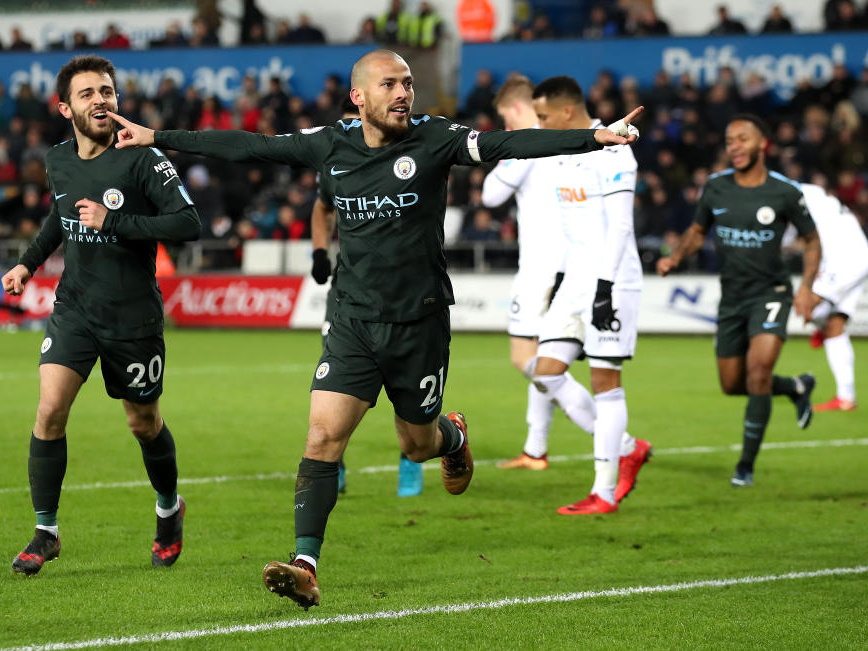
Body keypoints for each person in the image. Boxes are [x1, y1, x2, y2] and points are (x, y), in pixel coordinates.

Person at [109, 48, 642, 610]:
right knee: (322, 437)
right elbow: (252, 146)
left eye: (409, 83)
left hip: (420, 322)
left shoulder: (435, 138)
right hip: (353, 322)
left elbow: (507, 143)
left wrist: (592, 137)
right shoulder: (329, 142)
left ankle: (451, 437)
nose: (404, 93)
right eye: (390, 84)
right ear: (358, 96)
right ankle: (306, 564)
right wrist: (159, 136)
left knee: (416, 446)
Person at [2, 55, 201, 576]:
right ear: (64, 106)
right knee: (49, 411)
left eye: (108, 92)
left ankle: (168, 510)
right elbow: (60, 216)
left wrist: (115, 221)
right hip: (75, 309)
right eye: (88, 93)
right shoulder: (58, 160)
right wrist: (27, 262)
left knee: (143, 422)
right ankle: (46, 531)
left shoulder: (142, 157)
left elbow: (187, 223)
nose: (102, 101)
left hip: (132, 318)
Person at [657, 114, 821, 488]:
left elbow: (812, 240)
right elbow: (698, 232)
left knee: (758, 372)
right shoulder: (715, 188)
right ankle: (796, 386)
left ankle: (745, 466)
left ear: (763, 144)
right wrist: (676, 257)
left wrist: (807, 287)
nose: (734, 146)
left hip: (771, 294)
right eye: (730, 140)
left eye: (743, 138)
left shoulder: (785, 192)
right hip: (731, 298)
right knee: (733, 384)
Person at [526, 76, 651, 515]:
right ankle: (629, 448)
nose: (538, 125)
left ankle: (603, 492)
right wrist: (564, 279)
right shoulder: (561, 151)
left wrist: (604, 287)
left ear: (565, 111)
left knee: (605, 383)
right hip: (575, 280)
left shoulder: (615, 147)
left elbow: (619, 225)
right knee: (545, 372)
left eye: (542, 116)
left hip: (611, 281)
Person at [310, 96, 425, 497]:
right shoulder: (335, 158)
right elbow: (322, 208)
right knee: (334, 380)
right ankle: (333, 463)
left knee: (402, 377)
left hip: (404, 294)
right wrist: (319, 252)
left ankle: (411, 459)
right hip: (348, 291)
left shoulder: (405, 158)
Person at [480, 76, 561, 471]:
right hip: (563, 265)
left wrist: (517, 146)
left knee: (525, 358)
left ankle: (615, 436)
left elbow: (490, 195)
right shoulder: (563, 136)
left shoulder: (529, 142)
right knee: (546, 357)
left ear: (514, 110)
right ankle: (535, 449)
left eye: (505, 121)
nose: (506, 130)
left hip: (540, 269)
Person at [798, 183, 867, 411]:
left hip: (845, 261)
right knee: (835, 326)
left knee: (808, 305)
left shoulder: (794, 195)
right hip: (855, 258)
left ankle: (766, 383)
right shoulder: (819, 198)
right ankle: (845, 398)